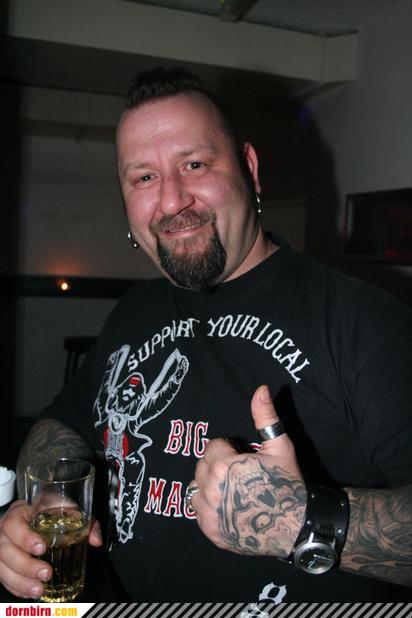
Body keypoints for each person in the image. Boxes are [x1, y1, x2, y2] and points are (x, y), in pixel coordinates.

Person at [0, 67, 411, 602]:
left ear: (249, 169)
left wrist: (303, 520)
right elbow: (63, 421)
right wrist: (46, 497)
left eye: (194, 164)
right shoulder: (132, 311)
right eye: (143, 178)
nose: (172, 201)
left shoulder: (363, 322)